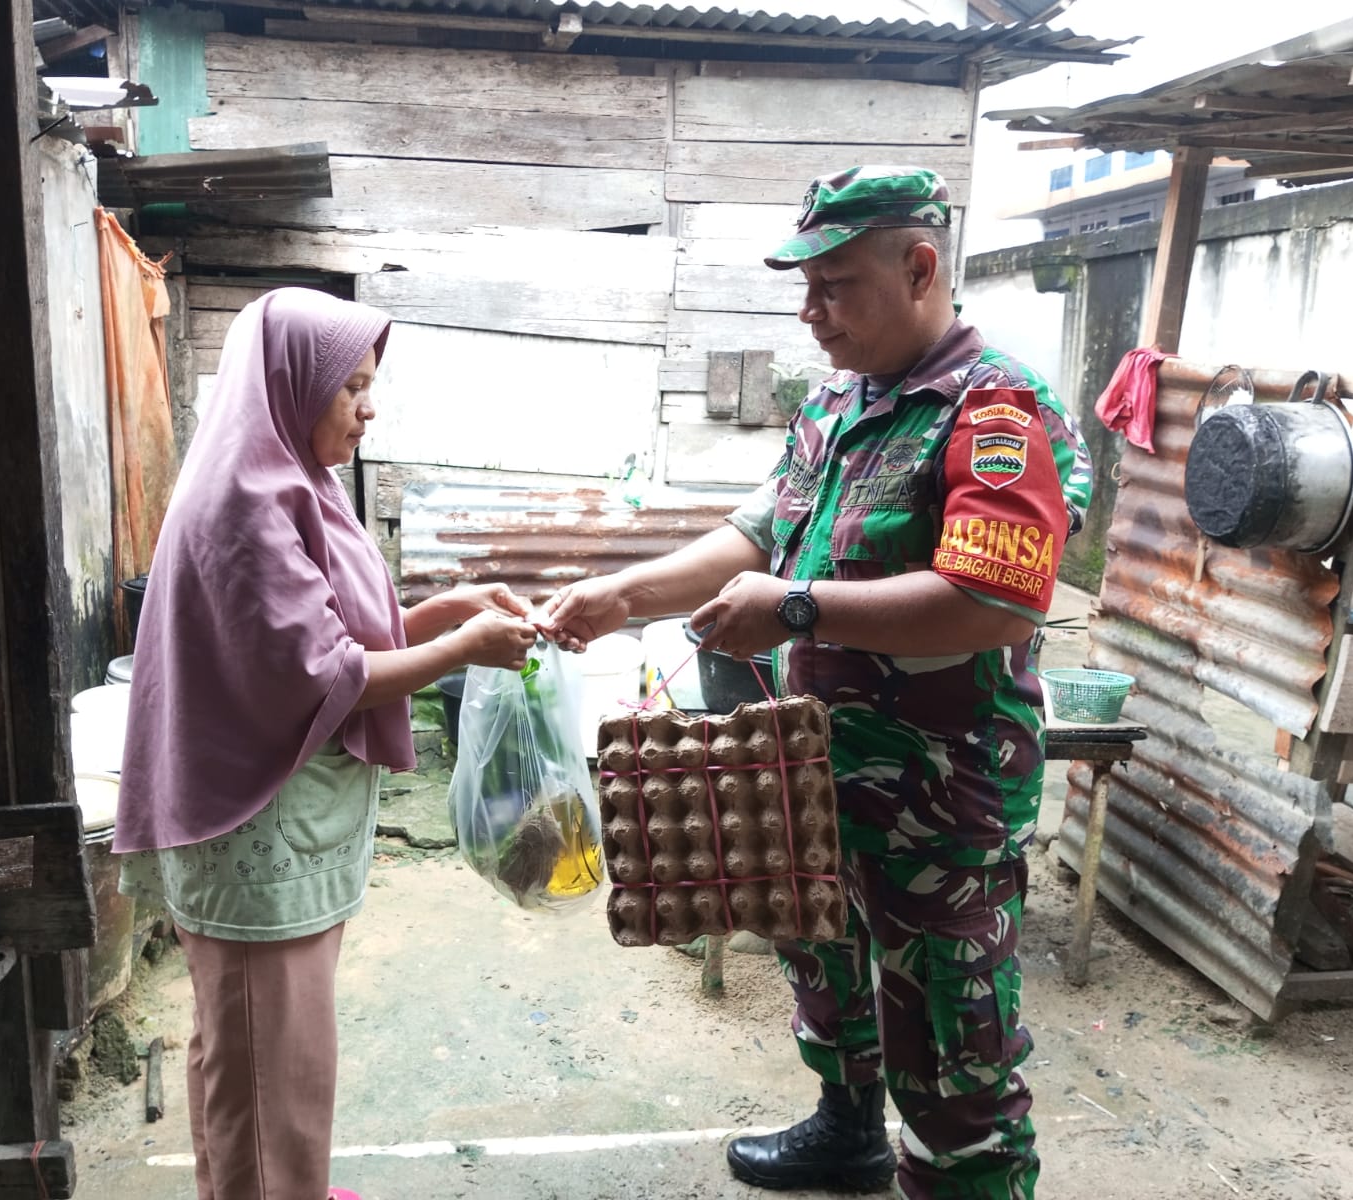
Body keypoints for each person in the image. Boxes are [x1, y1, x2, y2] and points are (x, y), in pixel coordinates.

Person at [543, 166, 1092, 1199]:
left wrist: (794, 607)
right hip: (817, 766)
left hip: (942, 793)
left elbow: (995, 601)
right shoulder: (844, 400)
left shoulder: (997, 409)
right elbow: (759, 528)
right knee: (824, 954)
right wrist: (625, 593)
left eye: (834, 285)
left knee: (948, 1034)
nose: (810, 314)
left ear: (918, 267)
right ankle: (848, 1131)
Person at [112, 288, 538, 1200]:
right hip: (257, 831)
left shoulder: (286, 477)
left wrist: (442, 613)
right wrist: (460, 649)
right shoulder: (245, 502)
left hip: (278, 825)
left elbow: (324, 637)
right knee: (273, 1070)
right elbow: (319, 675)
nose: (368, 406)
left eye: (369, 384)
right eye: (349, 385)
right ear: (290, 383)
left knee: (252, 1057)